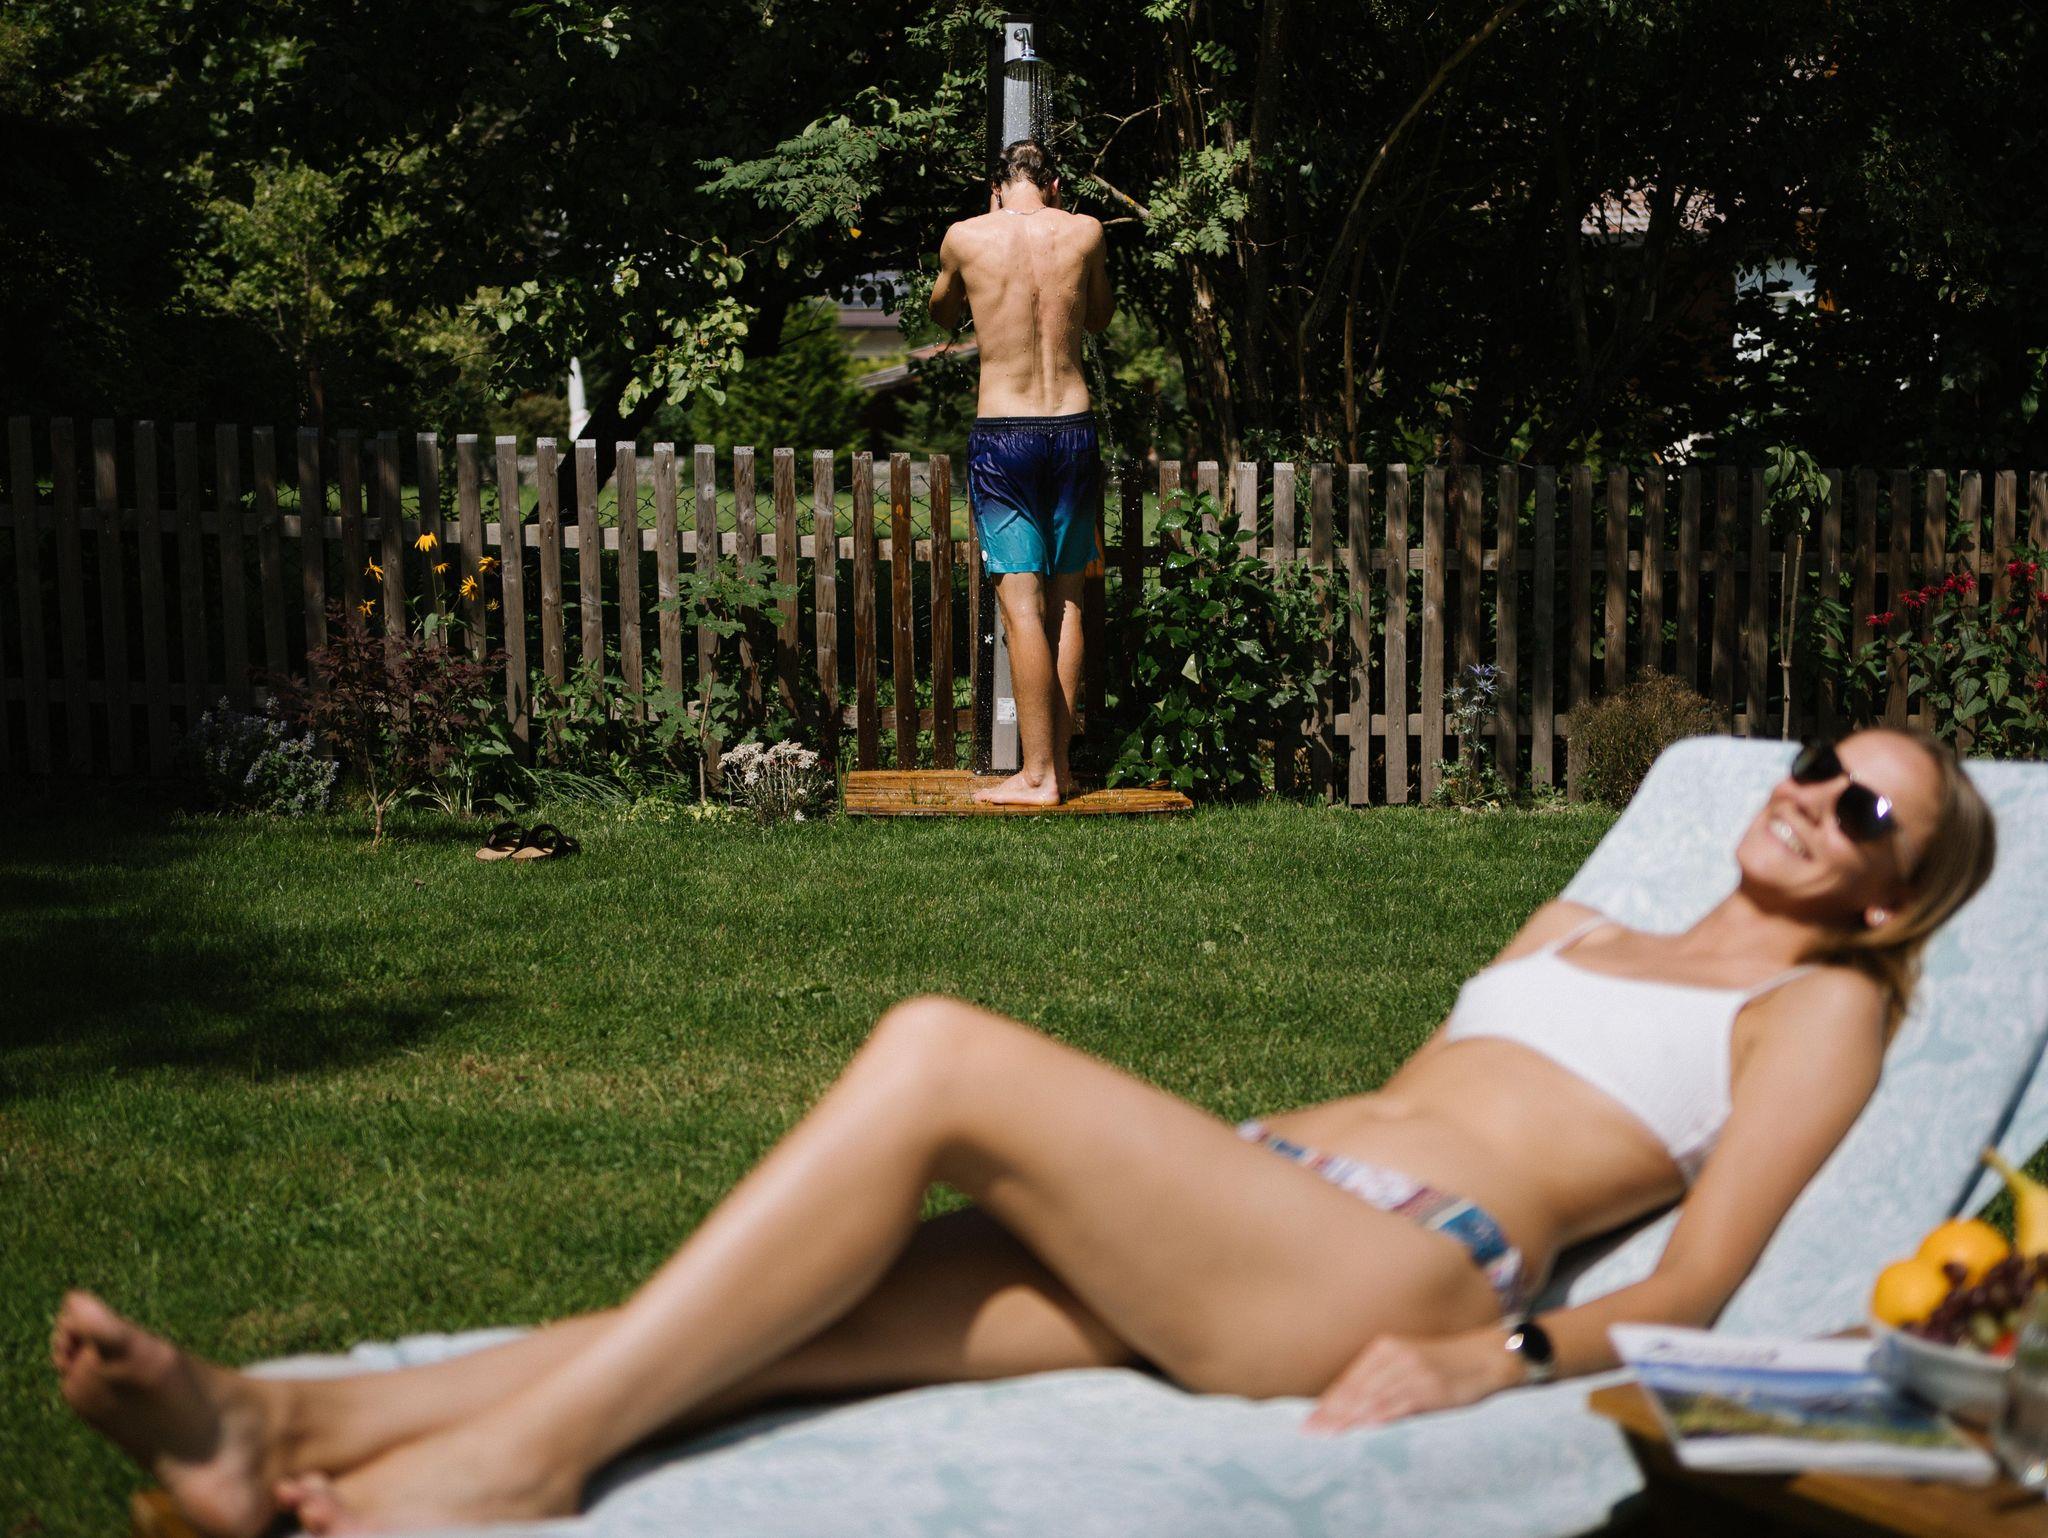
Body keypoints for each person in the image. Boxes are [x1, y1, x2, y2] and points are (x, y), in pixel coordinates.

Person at [54, 728, 1995, 1536]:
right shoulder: (1577, 919)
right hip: (1266, 1205)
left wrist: (1490, 1354)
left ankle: (526, 1465)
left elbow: (1700, 1275)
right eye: (1818, 762)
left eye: (1866, 813)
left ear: (1891, 894)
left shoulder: (1818, 1003)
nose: (1813, 798)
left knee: (936, 1053)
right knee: (785, 1323)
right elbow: (1422, 1080)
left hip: (1401, 1265)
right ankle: (272, 1424)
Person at [927, 137, 1113, 806]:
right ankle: (1056, 768)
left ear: (997, 189)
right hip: (1073, 427)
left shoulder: (966, 236)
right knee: (1067, 601)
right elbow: (1099, 317)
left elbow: (942, 313)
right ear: (1055, 185)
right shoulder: (1086, 232)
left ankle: (1036, 777)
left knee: (1020, 606)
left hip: (1005, 433)